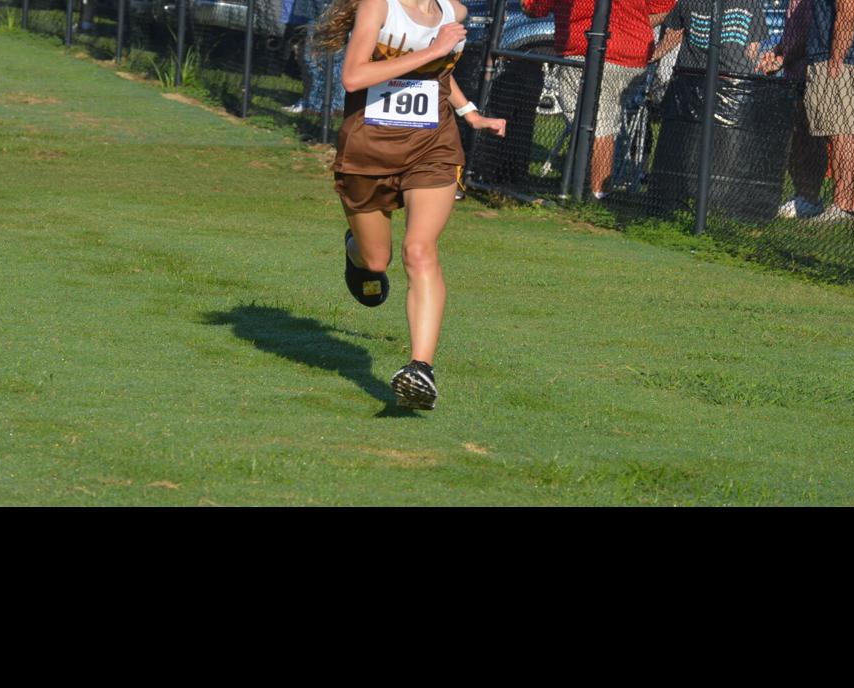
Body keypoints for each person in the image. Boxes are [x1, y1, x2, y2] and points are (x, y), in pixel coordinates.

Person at [312, 0, 507, 410]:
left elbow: (441, 72)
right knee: (377, 260)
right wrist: (434, 49)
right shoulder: (378, 7)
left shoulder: (453, 11)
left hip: (432, 146)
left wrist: (470, 114)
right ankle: (356, 251)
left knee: (419, 251)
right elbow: (353, 76)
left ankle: (421, 369)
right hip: (368, 148)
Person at [522, 0, 676, 198]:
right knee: (602, 122)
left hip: (588, 53)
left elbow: (533, 8)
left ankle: (597, 195)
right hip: (633, 56)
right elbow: (666, 7)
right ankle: (588, 182)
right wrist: (633, 23)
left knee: (597, 126)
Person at [762, 0, 854, 222]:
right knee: (847, 131)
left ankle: (844, 206)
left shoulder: (838, 58)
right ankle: (850, 206)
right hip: (849, 56)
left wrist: (835, 59)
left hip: (840, 58)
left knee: (842, 132)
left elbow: (848, 10)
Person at [286, 0, 347, 115]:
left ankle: (331, 105)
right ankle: (314, 103)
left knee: (333, 60)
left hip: (337, 10)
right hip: (317, 9)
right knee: (312, 58)